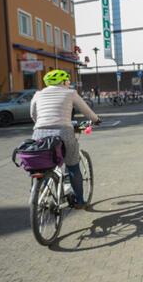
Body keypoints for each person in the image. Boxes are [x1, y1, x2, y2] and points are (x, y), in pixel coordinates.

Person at [31, 69, 100, 210]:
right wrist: (96, 120)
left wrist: (42, 123)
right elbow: (86, 110)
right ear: (62, 82)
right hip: (64, 132)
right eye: (67, 80)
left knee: (43, 166)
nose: (69, 83)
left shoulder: (38, 94)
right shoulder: (70, 93)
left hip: (39, 133)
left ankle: (43, 193)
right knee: (73, 166)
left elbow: (33, 114)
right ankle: (80, 201)